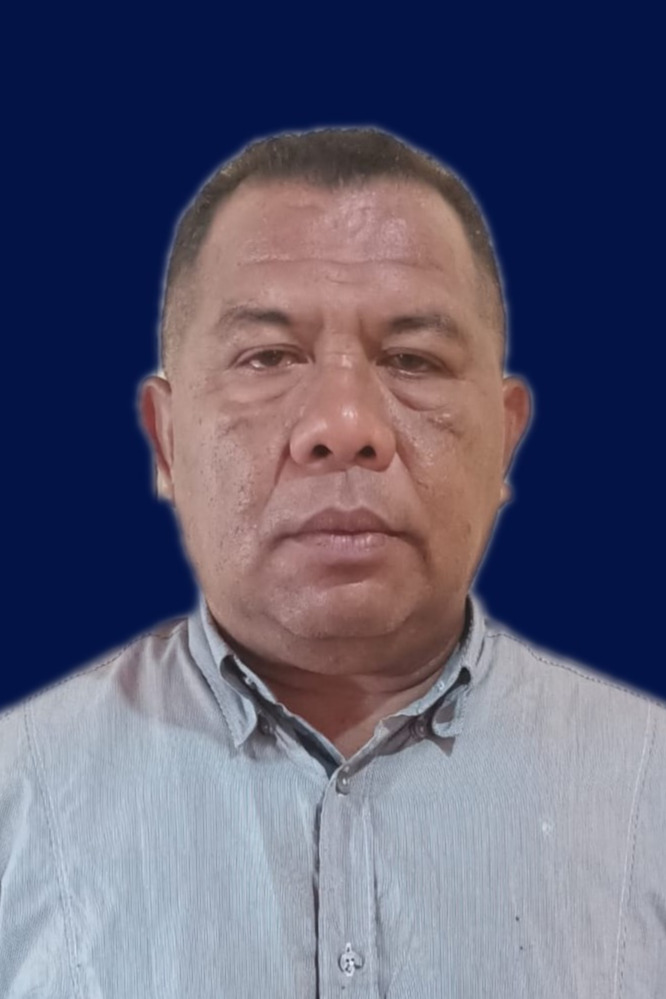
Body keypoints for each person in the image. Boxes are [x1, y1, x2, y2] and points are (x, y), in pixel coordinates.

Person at [1, 128, 663, 998]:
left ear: (505, 438)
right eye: (269, 357)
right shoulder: (19, 795)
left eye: (413, 359)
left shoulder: (649, 788)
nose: (344, 423)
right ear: (166, 440)